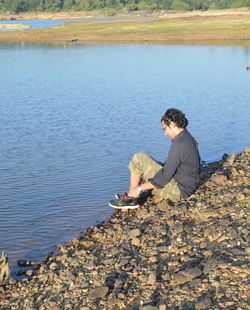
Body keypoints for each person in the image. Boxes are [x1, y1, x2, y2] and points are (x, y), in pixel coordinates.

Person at [109, 108, 201, 209]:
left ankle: (132, 196)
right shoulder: (187, 137)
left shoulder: (179, 144)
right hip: (187, 185)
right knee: (151, 164)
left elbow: (165, 176)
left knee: (139, 158)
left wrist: (139, 188)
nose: (165, 133)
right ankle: (132, 196)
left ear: (173, 124)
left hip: (179, 190)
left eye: (164, 129)